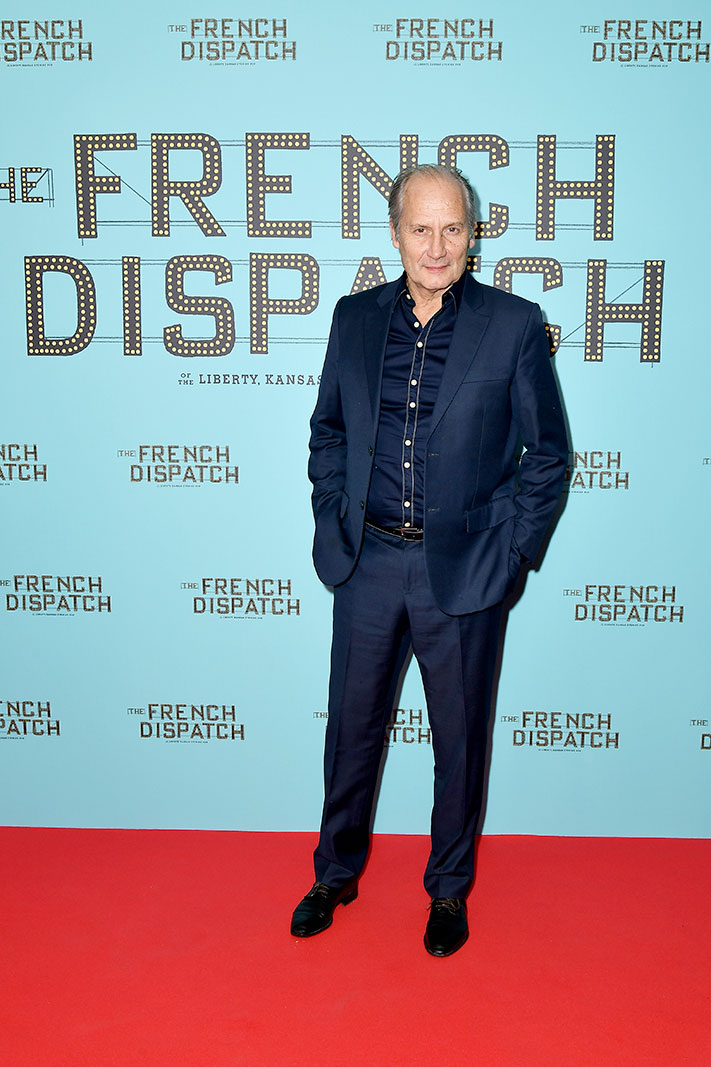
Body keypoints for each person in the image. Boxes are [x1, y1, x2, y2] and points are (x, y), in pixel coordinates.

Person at [291, 163, 568, 956]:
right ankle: (334, 873)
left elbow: (548, 454)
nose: (436, 246)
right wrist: (333, 516)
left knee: (459, 740)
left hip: (467, 571)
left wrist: (512, 554)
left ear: (471, 234)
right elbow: (328, 432)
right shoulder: (353, 318)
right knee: (351, 732)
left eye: (452, 228)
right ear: (395, 233)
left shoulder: (512, 324)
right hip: (367, 563)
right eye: (421, 228)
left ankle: (447, 889)